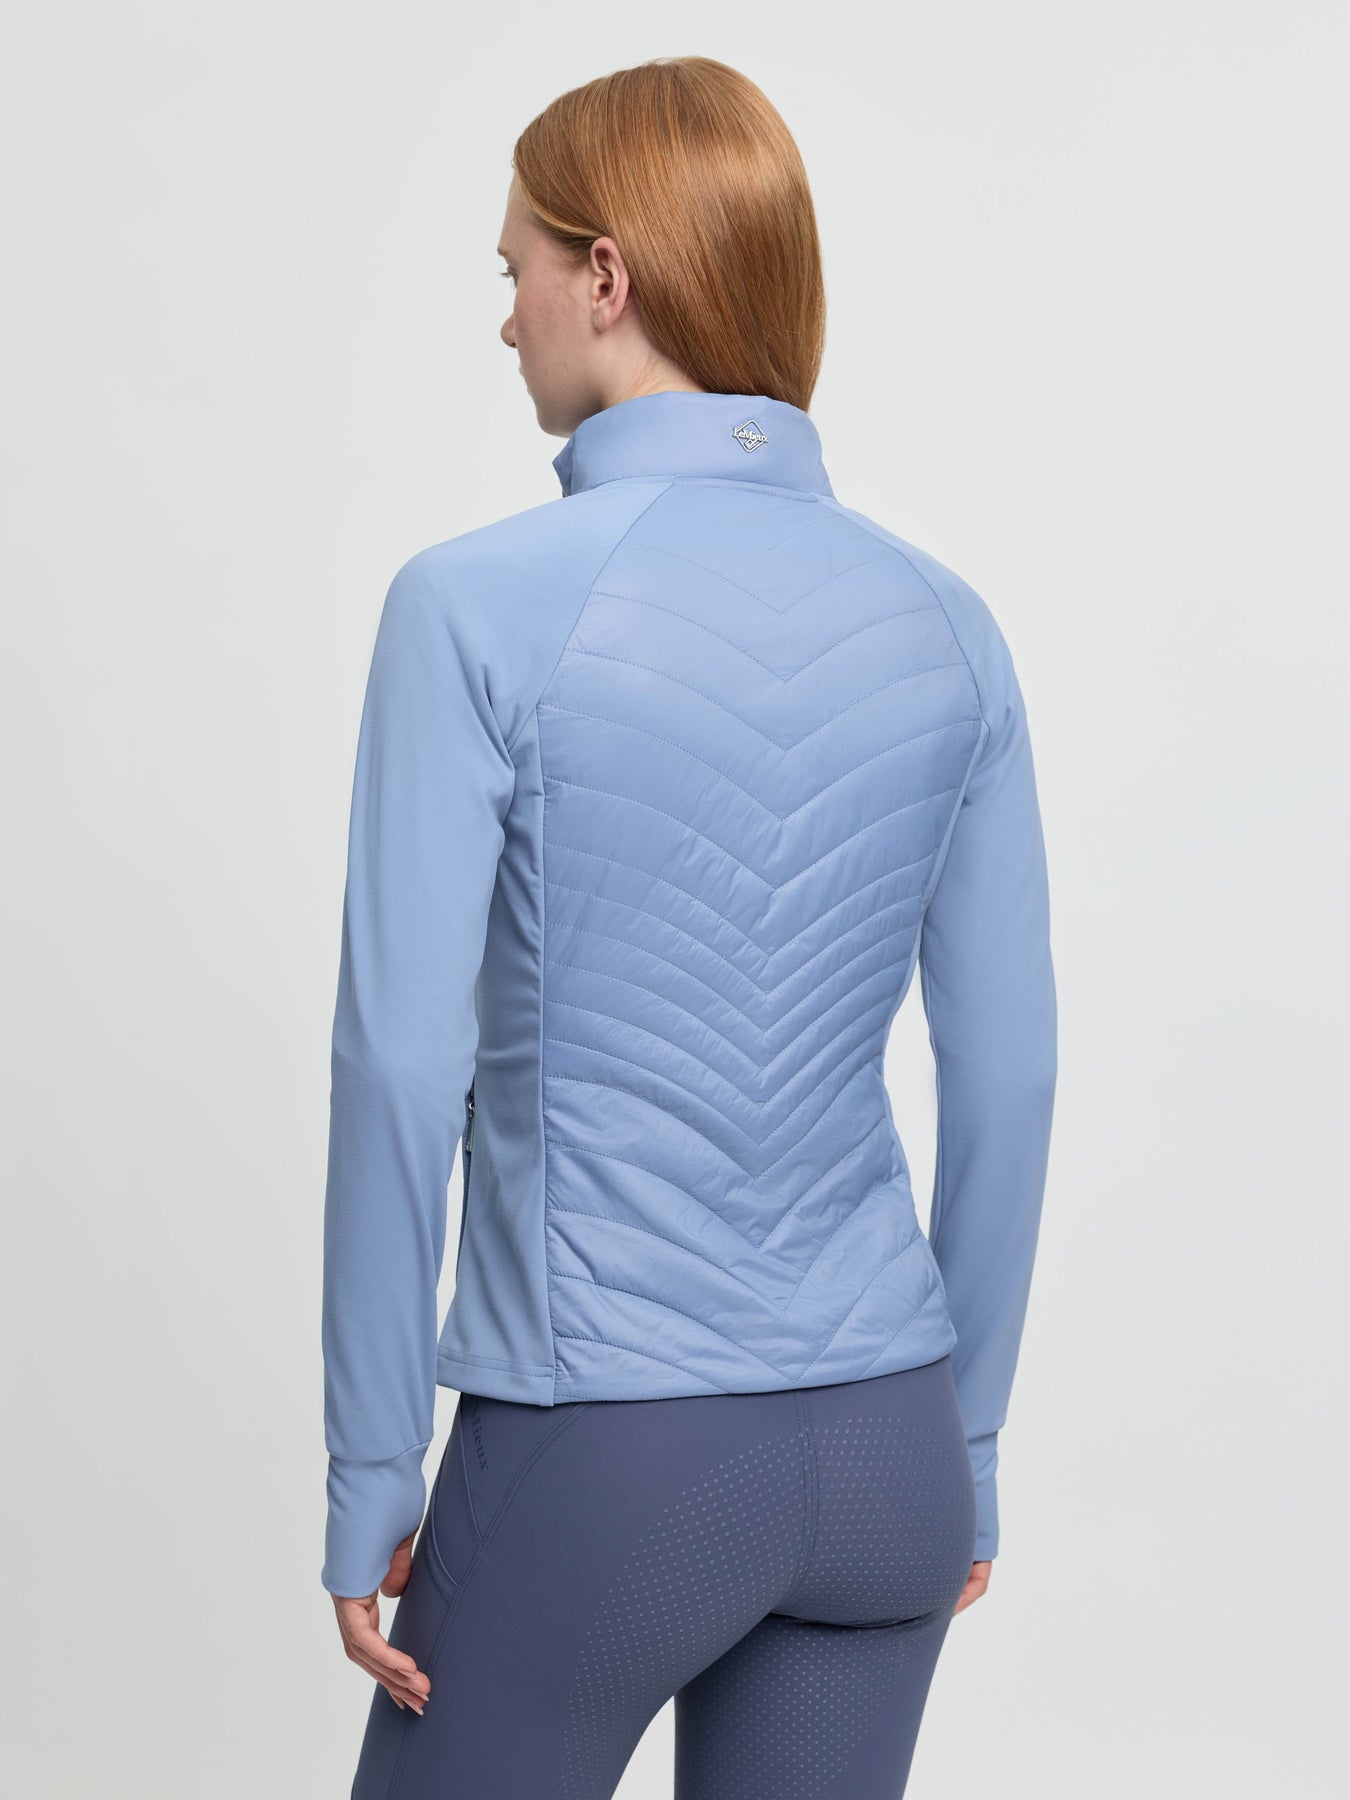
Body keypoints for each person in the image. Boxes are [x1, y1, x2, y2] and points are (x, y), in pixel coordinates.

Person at [320, 54, 1057, 1800]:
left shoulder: (473, 606)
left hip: (600, 1460)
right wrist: (965, 1444)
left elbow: (400, 1066)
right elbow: (1010, 1074)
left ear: (606, 275)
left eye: (514, 268)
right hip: (887, 1454)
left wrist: (369, 1473)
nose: (505, 318)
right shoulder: (946, 620)